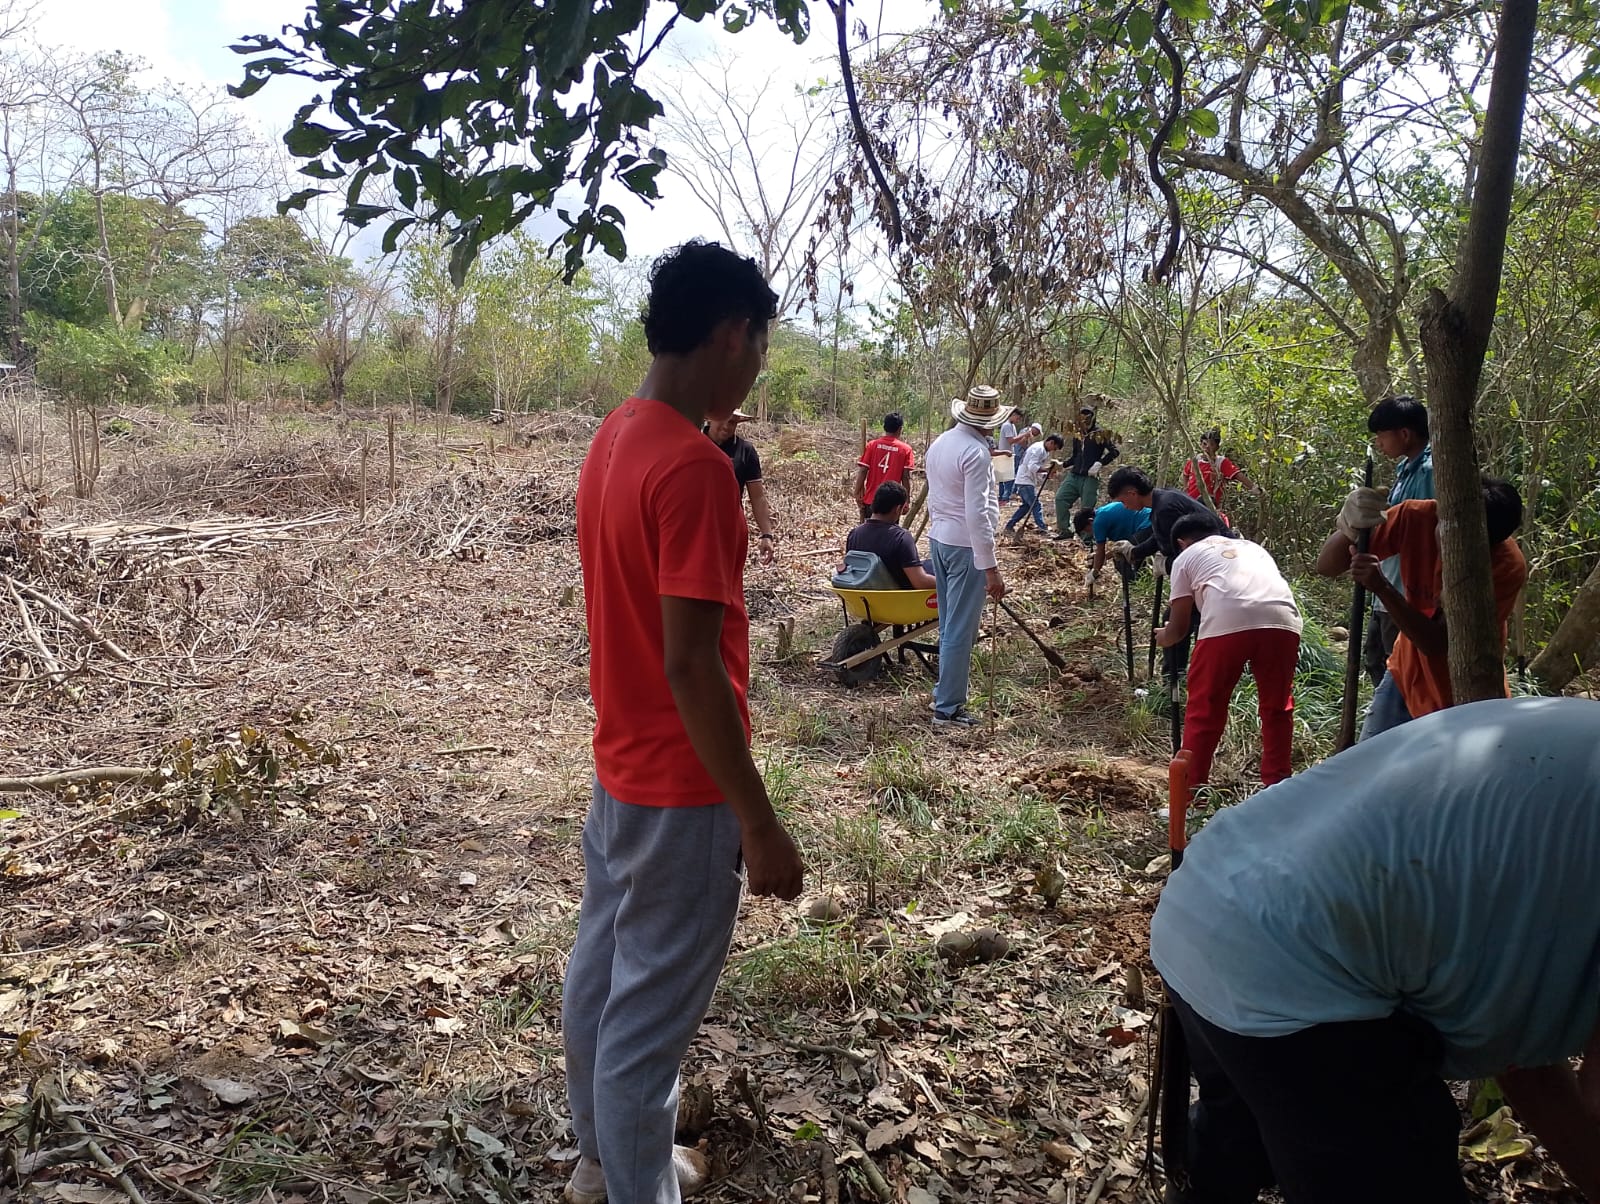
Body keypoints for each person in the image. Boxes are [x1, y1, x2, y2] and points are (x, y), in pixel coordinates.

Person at [566, 240, 805, 1204]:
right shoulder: (699, 471)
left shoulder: (615, 434)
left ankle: (601, 1161)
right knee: (649, 1027)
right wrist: (758, 820)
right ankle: (637, 1183)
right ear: (731, 333)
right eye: (760, 347)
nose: (756, 368)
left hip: (620, 763)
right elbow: (691, 664)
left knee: (603, 966)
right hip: (683, 781)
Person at [1150, 696, 1600, 1204]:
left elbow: (1530, 1067)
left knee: (1237, 1145)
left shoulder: (1567, 742)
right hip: (1297, 956)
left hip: (1206, 897)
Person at [1315, 476, 1526, 741]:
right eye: (1451, 535)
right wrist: (1349, 526)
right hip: (1405, 676)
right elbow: (1327, 566)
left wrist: (1382, 587)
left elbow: (1437, 643)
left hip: (1462, 693)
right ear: (1443, 516)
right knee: (1370, 766)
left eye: (1476, 548)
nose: (1457, 551)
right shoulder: (1415, 517)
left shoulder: (1506, 566)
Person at [1154, 514, 1301, 788]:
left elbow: (1179, 627)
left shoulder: (1186, 557)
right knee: (1277, 707)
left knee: (1204, 708)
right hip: (1283, 621)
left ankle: (1191, 795)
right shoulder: (1253, 547)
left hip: (1225, 624)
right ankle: (1278, 786)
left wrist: (1165, 637)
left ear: (1181, 543)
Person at [925, 384, 1008, 728]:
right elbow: (977, 514)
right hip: (964, 547)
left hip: (940, 539)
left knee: (949, 624)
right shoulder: (975, 453)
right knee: (961, 629)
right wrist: (990, 567)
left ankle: (945, 690)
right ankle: (947, 708)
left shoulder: (942, 442)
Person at [1362, 396, 1434, 687]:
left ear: (1404, 434)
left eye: (1382, 435)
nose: (1379, 443)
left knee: (1400, 672)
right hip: (1386, 586)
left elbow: (1423, 532)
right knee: (1375, 660)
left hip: (1405, 591)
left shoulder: (1429, 472)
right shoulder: (1405, 469)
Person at [1096, 466, 1230, 585]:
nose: (1124, 506)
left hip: (1221, 564)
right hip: (1217, 558)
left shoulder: (1165, 509)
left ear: (1133, 494)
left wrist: (1165, 564)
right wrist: (1134, 551)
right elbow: (1159, 536)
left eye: (1123, 501)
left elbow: (1182, 557)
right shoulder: (1163, 498)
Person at [706, 409, 778, 564]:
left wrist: (767, 534)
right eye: (723, 419)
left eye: (732, 422)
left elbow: (758, 497)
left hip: (729, 529)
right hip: (693, 528)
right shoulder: (692, 444)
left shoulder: (745, 451)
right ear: (710, 419)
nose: (726, 426)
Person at [845, 481, 936, 590]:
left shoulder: (854, 534)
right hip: (897, 599)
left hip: (864, 598)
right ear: (898, 509)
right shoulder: (901, 538)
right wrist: (950, 582)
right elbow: (921, 582)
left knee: (928, 564)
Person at [1054, 404, 1120, 535]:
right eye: (1082, 415)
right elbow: (1075, 456)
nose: (1084, 419)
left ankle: (1087, 539)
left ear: (1092, 417)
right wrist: (1063, 464)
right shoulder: (1077, 435)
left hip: (1090, 478)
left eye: (1087, 416)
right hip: (1074, 475)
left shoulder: (1100, 434)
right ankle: (1065, 531)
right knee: (1060, 498)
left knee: (1086, 510)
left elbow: (1114, 451)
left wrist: (1100, 463)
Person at [1181, 427, 1258, 528]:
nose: (1207, 447)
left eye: (1211, 444)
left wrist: (1253, 487)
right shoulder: (1194, 460)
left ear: (1217, 447)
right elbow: (1185, 474)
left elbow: (1237, 475)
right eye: (1204, 444)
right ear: (1200, 445)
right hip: (1191, 504)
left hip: (1210, 506)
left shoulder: (1220, 462)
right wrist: (1186, 487)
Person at [1076, 499, 1152, 591]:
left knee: (1121, 558)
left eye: (1087, 530)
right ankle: (1143, 585)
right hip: (1149, 521)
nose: (1091, 533)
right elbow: (1118, 547)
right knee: (1129, 556)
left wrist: (1094, 572)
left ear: (1090, 521)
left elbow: (1101, 551)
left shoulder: (1098, 522)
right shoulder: (1103, 513)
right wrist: (1102, 557)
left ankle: (1135, 588)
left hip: (1146, 525)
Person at [854, 412, 916, 522]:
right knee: (889, 536)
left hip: (871, 500)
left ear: (884, 427)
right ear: (900, 429)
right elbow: (905, 477)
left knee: (869, 533)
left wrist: (857, 492)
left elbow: (863, 470)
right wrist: (906, 500)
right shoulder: (905, 450)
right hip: (893, 505)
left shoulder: (872, 445)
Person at [1004, 431, 1064, 540]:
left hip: (1027, 480)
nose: (1053, 450)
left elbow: (1037, 470)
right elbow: (1032, 467)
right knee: (1036, 505)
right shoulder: (1038, 449)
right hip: (1025, 480)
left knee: (1027, 506)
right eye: (1054, 448)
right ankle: (1042, 528)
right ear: (1051, 442)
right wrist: (1046, 469)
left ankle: (1009, 525)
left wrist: (1046, 475)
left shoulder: (1044, 452)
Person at [997, 407, 1026, 503]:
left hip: (1010, 453)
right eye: (1017, 418)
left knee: (1006, 476)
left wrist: (1025, 437)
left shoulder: (1012, 426)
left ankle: (1003, 496)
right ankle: (1004, 496)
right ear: (1013, 415)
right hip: (1005, 454)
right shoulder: (1007, 426)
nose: (1018, 420)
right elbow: (1011, 440)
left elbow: (1016, 441)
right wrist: (1023, 435)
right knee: (1007, 477)